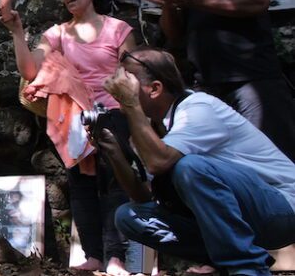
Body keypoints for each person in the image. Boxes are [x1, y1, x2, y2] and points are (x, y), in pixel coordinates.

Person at [95, 47, 295, 276]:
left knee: (189, 167)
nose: (119, 89)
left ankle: (248, 269)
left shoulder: (199, 108)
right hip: (247, 216)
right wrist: (113, 153)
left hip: (282, 208)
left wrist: (131, 105)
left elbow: (159, 162)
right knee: (129, 216)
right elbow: (143, 196)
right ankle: (229, 264)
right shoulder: (150, 128)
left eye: (127, 81)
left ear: (155, 89)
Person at [130, 0, 295, 161]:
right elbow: (175, 37)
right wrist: (169, 4)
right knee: (223, 164)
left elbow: (257, 0)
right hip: (206, 86)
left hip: (253, 79)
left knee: (271, 158)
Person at [0, 0, 138, 275]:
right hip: (76, 120)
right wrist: (16, 32)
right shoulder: (58, 34)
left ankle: (116, 257)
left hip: (113, 113)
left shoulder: (118, 29)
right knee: (82, 186)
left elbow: (133, 73)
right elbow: (30, 72)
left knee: (117, 184)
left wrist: (133, 115)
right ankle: (94, 256)